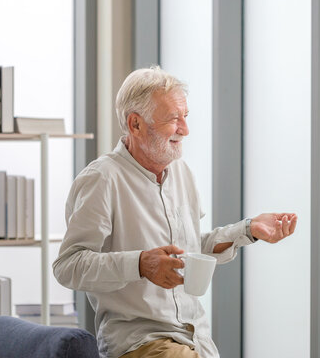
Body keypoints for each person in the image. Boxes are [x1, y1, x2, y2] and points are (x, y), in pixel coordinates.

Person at [52, 66, 298, 358]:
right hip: (140, 341)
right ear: (135, 124)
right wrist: (141, 264)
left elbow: (190, 250)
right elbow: (68, 266)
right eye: (173, 119)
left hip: (196, 338)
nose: (185, 129)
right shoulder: (102, 179)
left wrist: (248, 230)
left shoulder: (182, 172)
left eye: (185, 117)